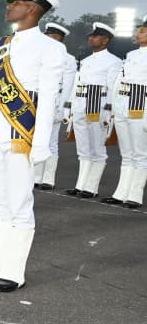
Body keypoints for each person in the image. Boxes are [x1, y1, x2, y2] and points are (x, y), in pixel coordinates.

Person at [0, 0, 66, 292]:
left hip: (21, 134)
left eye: (16, 3)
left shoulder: (52, 48)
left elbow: (48, 98)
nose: (9, 6)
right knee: (2, 204)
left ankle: (15, 272)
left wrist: (40, 142)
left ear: (32, 8)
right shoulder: (1, 45)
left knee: (20, 203)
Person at [65, 22, 123, 198]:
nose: (91, 38)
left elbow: (112, 89)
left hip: (97, 107)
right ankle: (80, 185)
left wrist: (108, 113)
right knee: (83, 149)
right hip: (82, 105)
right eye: (91, 35)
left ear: (105, 40)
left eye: (95, 36)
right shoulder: (86, 60)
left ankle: (91, 187)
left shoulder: (114, 61)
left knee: (97, 150)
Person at [102, 15, 147, 207]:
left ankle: (135, 196)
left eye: (143, 31)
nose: (138, 33)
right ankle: (121, 193)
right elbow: (120, 83)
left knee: (140, 154)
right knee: (126, 154)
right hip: (123, 106)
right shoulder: (131, 55)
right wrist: (115, 109)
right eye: (139, 30)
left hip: (141, 107)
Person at [34, 23, 77, 190]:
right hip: (38, 100)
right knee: (37, 140)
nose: (47, 38)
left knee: (51, 142)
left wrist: (62, 109)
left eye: (50, 35)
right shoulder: (41, 54)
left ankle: (48, 179)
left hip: (55, 102)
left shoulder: (68, 59)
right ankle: (36, 177)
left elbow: (67, 86)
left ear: (59, 38)